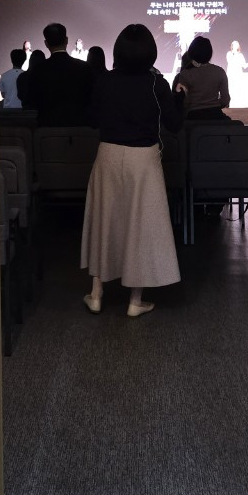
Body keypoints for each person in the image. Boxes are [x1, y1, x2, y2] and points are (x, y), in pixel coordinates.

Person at [81, 24, 182, 318]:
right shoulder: (156, 83)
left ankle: (96, 294)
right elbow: (174, 125)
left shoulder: (104, 81)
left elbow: (91, 119)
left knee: (104, 219)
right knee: (142, 225)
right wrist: (180, 98)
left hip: (108, 155)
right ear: (150, 52)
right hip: (143, 158)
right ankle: (135, 300)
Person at [17, 22, 92, 124]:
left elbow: (31, 100)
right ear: (66, 40)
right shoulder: (84, 67)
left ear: (46, 43)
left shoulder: (38, 70)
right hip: (79, 126)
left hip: (47, 126)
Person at [173, 35, 231, 120]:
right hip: (215, 116)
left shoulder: (185, 74)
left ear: (191, 53)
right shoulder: (220, 71)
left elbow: (183, 102)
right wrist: (213, 105)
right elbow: (225, 100)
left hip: (193, 118)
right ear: (210, 53)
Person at [226, 39, 248, 105]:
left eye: (236, 45)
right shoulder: (229, 53)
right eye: (234, 44)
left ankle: (237, 100)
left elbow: (243, 64)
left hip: (238, 72)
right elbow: (230, 61)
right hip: (231, 72)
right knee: (231, 86)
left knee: (238, 86)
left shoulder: (240, 55)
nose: (235, 46)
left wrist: (246, 65)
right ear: (232, 46)